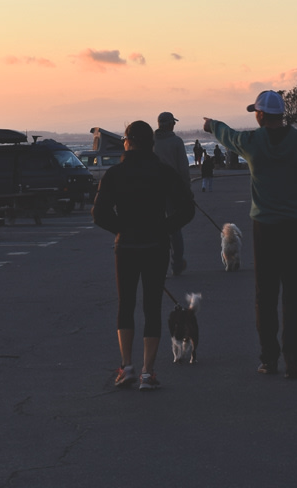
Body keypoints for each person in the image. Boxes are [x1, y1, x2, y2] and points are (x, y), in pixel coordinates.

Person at [204, 90, 297, 379]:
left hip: (265, 228)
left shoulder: (253, 143)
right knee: (295, 294)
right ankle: (294, 359)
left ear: (260, 115)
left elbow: (229, 136)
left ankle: (269, 359)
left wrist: (212, 125)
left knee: (266, 294)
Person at [93, 119, 197, 391]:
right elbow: (187, 208)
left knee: (125, 306)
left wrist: (121, 229)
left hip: (125, 246)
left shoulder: (115, 174)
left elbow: (99, 213)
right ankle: (148, 373)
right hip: (155, 246)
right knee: (151, 308)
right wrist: (164, 228)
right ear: (151, 144)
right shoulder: (163, 172)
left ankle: (127, 367)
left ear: (127, 142)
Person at [153, 111, 192, 276]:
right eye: (173, 123)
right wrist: (187, 190)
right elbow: (183, 169)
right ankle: (176, 263)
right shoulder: (176, 141)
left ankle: (156, 265)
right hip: (173, 190)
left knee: (155, 227)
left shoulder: (151, 141)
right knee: (174, 227)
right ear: (170, 124)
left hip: (153, 190)